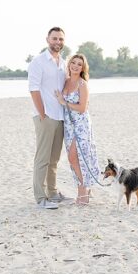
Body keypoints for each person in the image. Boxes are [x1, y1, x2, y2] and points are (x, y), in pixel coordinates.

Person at [27, 27, 73, 209]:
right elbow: (34, 89)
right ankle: (40, 198)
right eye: (54, 38)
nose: (58, 42)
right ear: (47, 39)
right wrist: (42, 114)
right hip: (45, 116)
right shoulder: (38, 62)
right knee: (42, 158)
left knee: (54, 159)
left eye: (61, 39)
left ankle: (53, 193)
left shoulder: (62, 62)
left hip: (60, 115)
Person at [54, 53, 100, 206]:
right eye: (73, 63)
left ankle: (83, 191)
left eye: (79, 64)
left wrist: (63, 102)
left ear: (83, 68)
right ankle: (85, 189)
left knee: (75, 157)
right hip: (68, 125)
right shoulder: (65, 82)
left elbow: (82, 108)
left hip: (81, 125)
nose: (75, 66)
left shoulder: (82, 84)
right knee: (73, 158)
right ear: (69, 65)